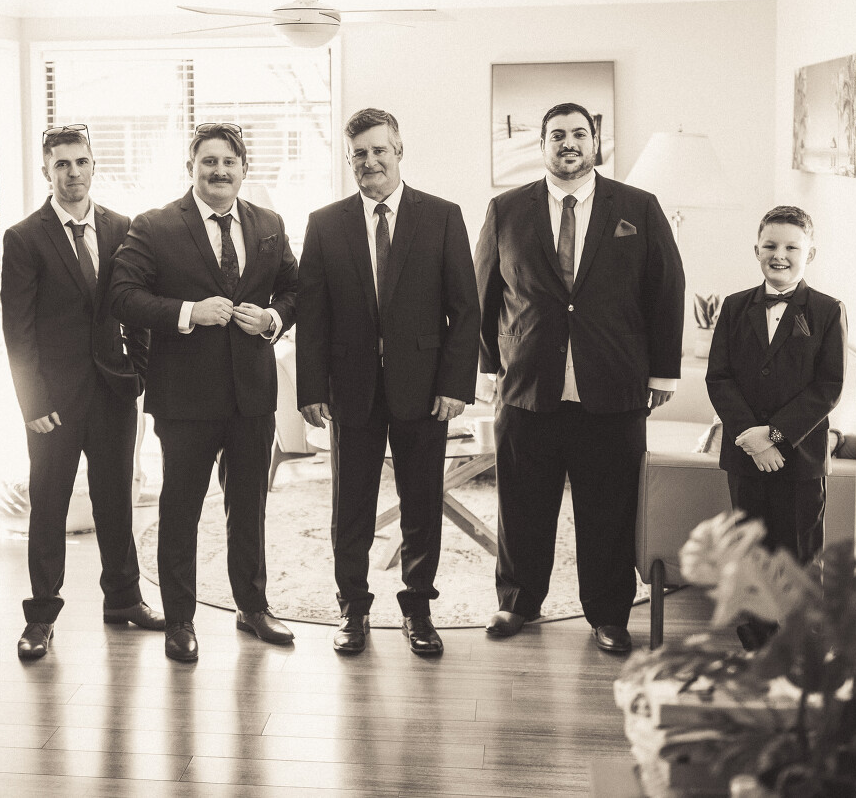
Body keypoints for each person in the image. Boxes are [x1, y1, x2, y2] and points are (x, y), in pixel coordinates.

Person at [475, 101, 685, 654]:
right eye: (557, 135)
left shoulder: (638, 207)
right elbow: (483, 294)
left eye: (578, 133)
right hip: (526, 386)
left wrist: (664, 372)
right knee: (522, 505)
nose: (568, 143)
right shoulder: (506, 209)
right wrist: (486, 368)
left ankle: (609, 614)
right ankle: (518, 601)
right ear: (542, 144)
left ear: (595, 141)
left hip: (613, 388)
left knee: (608, 509)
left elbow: (666, 290)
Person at [108, 123, 301, 662]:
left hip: (252, 396)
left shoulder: (269, 224)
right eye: (208, 162)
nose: (219, 171)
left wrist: (272, 319)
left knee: (249, 507)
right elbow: (122, 296)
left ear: (243, 168)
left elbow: (294, 290)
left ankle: (253, 607)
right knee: (180, 511)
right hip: (184, 399)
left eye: (228, 162)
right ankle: (180, 620)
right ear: (190, 168)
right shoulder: (154, 225)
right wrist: (189, 312)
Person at [295, 108, 480, 656]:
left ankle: (418, 609)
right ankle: (352, 609)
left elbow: (464, 309)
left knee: (421, 504)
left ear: (399, 151)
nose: (370, 161)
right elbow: (313, 314)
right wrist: (311, 388)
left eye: (379, 150)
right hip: (349, 389)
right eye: (360, 153)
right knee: (350, 507)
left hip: (424, 388)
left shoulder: (441, 216)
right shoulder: (324, 223)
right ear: (349, 160)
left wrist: (456, 384)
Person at [1, 124, 164, 663]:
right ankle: (41, 616)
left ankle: (124, 599)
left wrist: (138, 372)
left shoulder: (122, 227)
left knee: (116, 499)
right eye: (62, 164)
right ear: (46, 171)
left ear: (94, 165)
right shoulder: (25, 238)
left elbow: (137, 304)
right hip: (54, 402)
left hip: (115, 390)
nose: (73, 173)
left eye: (81, 162)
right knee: (48, 504)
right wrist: (32, 402)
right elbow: (17, 328)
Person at [705, 206, 846, 646]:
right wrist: (751, 437)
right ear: (757, 250)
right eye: (770, 246)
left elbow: (828, 387)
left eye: (791, 247)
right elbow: (719, 378)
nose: (779, 255)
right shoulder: (734, 307)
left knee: (801, 551)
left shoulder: (827, 310)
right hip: (745, 454)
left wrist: (775, 435)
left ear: (810, 254)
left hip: (800, 457)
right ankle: (757, 639)